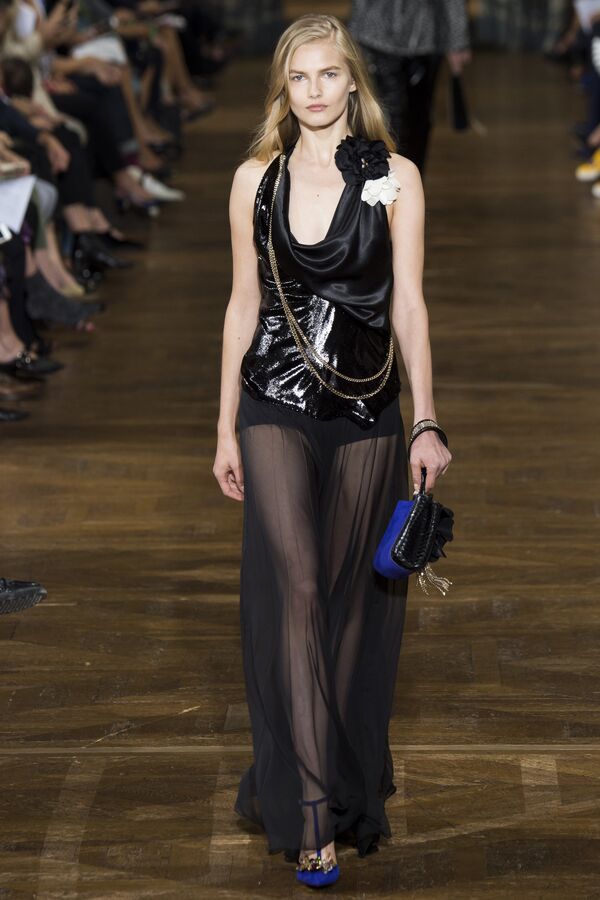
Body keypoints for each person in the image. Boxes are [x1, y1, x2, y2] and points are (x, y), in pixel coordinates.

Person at [213, 13, 452, 888]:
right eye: (298, 77)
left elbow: (410, 305)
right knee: (302, 590)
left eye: (328, 75)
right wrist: (223, 426)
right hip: (273, 400)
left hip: (365, 407)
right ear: (284, 88)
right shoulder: (256, 180)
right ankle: (313, 811)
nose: (314, 91)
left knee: (349, 604)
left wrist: (426, 420)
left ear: (353, 81)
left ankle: (340, 780)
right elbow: (242, 306)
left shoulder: (396, 178)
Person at [348, 0, 471, 174]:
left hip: (423, 36)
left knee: (416, 118)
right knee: (389, 115)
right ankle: (387, 179)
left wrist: (457, 41)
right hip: (382, 35)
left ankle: (409, 179)